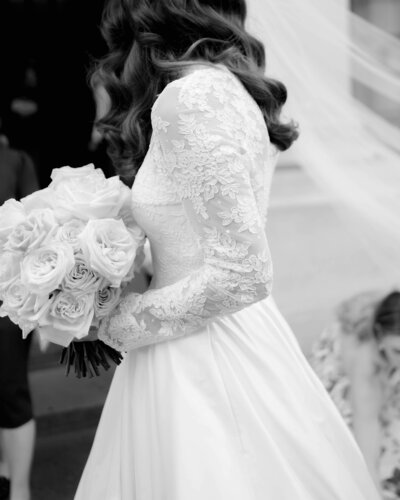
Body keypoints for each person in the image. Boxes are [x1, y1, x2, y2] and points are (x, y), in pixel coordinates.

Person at [75, 1, 381, 498]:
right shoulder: (228, 89)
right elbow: (200, 237)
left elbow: (241, 272)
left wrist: (114, 323)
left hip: (204, 359)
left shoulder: (190, 98)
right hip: (211, 337)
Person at [310, 290, 400, 499]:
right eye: (399, 352)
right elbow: (367, 434)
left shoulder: (390, 337)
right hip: (340, 370)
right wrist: (373, 492)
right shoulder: (366, 363)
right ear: (379, 336)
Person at [0, 130, 40, 500]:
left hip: (7, 298)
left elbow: (36, 228)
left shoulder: (16, 161)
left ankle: (20, 487)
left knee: (11, 390)